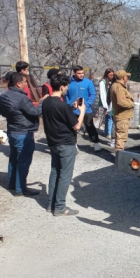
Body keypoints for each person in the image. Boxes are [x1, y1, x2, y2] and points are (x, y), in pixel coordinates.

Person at [0, 72, 47, 196]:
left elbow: (2, 112)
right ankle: (21, 188)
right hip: (24, 132)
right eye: (25, 82)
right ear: (19, 83)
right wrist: (42, 103)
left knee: (13, 159)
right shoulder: (23, 98)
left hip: (12, 130)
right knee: (23, 161)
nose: (26, 84)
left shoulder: (4, 96)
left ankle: (12, 183)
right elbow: (35, 112)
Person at [42, 74, 85, 216]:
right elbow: (77, 126)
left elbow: (59, 115)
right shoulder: (62, 105)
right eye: (66, 87)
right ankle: (60, 207)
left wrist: (72, 109)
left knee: (55, 173)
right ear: (62, 87)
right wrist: (82, 111)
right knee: (65, 176)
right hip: (66, 144)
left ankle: (51, 204)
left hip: (53, 143)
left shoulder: (46, 102)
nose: (67, 89)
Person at [66, 65, 101, 152]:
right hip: (73, 110)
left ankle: (96, 142)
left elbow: (92, 94)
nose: (81, 75)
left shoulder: (88, 82)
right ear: (74, 73)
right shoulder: (68, 82)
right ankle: (74, 144)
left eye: (82, 73)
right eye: (79, 73)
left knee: (90, 126)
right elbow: (66, 95)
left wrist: (87, 104)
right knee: (72, 127)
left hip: (86, 109)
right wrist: (69, 104)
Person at [110, 70, 134, 152]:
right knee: (121, 137)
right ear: (123, 77)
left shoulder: (116, 85)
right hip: (122, 116)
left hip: (121, 115)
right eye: (126, 76)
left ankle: (119, 156)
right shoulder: (119, 87)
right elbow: (122, 102)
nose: (127, 77)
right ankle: (119, 158)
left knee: (120, 136)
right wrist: (133, 104)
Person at [98, 69, 115, 148]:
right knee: (108, 117)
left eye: (113, 75)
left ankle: (107, 132)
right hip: (106, 102)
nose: (112, 76)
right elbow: (103, 94)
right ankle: (108, 133)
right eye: (110, 75)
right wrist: (106, 105)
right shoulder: (103, 82)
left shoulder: (112, 82)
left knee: (109, 117)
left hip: (111, 102)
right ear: (107, 74)